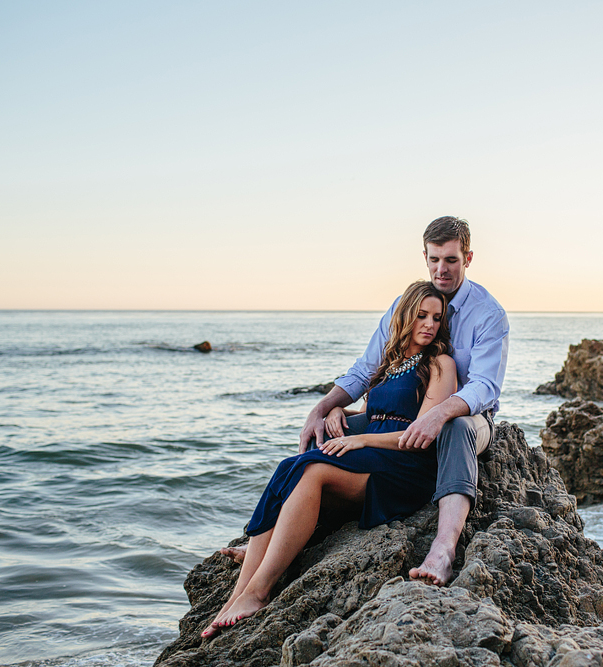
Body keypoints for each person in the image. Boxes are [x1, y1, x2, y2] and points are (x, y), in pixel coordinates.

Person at [222, 216, 510, 587]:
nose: (442, 269)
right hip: (405, 416)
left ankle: (443, 548)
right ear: (424, 256)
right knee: (323, 435)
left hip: (470, 417)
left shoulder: (488, 313)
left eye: (451, 260)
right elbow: (367, 369)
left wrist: (439, 413)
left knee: (455, 427)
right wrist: (322, 408)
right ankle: (275, 538)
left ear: (467, 258)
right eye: (434, 259)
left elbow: (485, 385)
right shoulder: (405, 305)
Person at [203, 280, 456, 638]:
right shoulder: (390, 362)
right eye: (421, 316)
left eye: (436, 317)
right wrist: (338, 408)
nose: (429, 324)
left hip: (405, 466)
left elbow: (418, 434)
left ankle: (258, 592)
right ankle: (237, 596)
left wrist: (360, 441)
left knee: (313, 470)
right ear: (405, 317)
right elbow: (377, 412)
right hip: (373, 454)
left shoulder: (440, 364)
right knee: (289, 466)